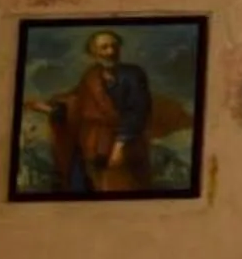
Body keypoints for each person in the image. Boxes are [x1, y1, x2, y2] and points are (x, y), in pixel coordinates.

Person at [29, 29, 154, 193]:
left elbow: (137, 111)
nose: (111, 52)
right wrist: (48, 108)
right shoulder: (91, 76)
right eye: (104, 48)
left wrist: (119, 147)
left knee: (121, 191)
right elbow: (75, 103)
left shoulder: (133, 74)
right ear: (93, 53)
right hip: (91, 144)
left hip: (125, 144)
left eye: (114, 46)